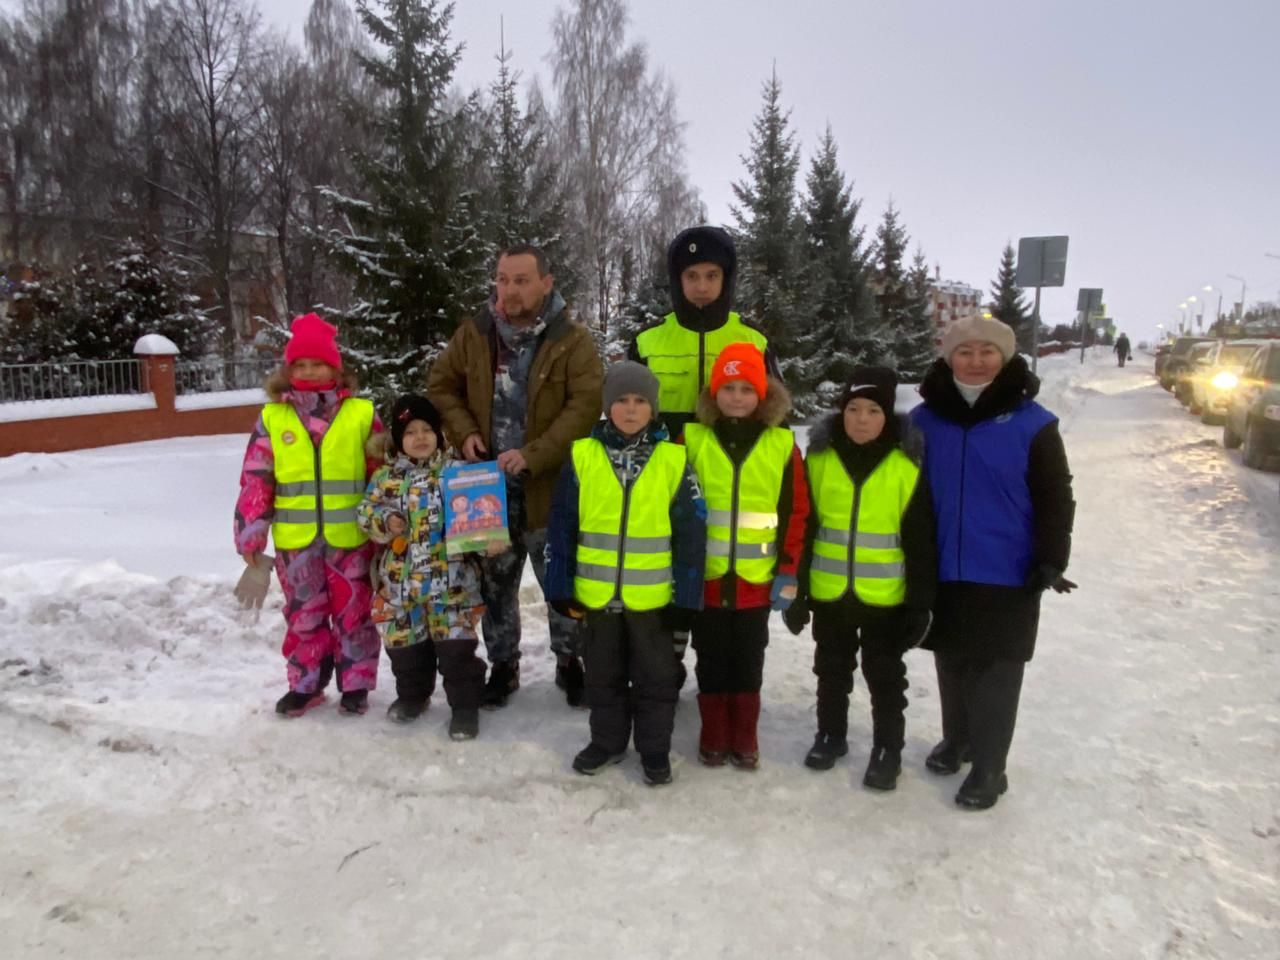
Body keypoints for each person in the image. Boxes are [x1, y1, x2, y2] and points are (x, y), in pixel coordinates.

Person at [427, 244, 603, 708]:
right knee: (495, 584)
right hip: (488, 492)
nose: (509, 290)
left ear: (547, 283)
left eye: (521, 280)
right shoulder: (476, 334)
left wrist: (535, 454)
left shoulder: (571, 340)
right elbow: (441, 386)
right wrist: (463, 433)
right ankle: (503, 665)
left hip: (550, 488)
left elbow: (584, 406)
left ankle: (572, 662)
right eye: (503, 279)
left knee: (560, 581)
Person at [910, 316, 1076, 810]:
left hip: (1008, 568)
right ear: (948, 357)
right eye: (965, 352)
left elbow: (1055, 494)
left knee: (997, 669)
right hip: (942, 564)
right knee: (951, 657)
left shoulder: (1033, 422)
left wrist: (1051, 556)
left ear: (1004, 358)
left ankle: (990, 766)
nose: (976, 361)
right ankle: (956, 739)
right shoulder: (923, 420)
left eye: (987, 351)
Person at [544, 362, 707, 786]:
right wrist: (560, 586)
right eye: (621, 400)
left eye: (640, 401)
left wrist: (686, 599)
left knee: (657, 680)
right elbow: (561, 525)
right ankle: (608, 742)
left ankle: (654, 750)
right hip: (596, 599)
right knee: (603, 677)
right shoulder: (582, 456)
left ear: (653, 409)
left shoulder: (674, 459)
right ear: (606, 406)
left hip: (652, 602)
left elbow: (691, 534)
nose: (631, 409)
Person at [784, 367, 937, 790]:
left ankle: (888, 748)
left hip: (884, 597)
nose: (862, 419)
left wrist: (920, 602)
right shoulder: (818, 458)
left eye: (872, 410)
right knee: (830, 669)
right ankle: (830, 735)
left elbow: (921, 540)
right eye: (853, 408)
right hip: (830, 592)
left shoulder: (906, 465)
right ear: (841, 411)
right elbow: (805, 527)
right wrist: (797, 590)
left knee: (884, 676)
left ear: (887, 415)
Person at [234, 313, 384, 717]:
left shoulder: (361, 414)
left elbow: (380, 476)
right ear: (288, 369)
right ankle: (306, 682)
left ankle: (355, 683)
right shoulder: (272, 418)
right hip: (296, 543)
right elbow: (256, 479)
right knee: (304, 616)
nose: (308, 371)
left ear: (334, 367)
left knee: (354, 614)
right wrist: (251, 533)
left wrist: (387, 526)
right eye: (300, 365)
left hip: (350, 539)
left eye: (317, 364)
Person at [682, 343, 809, 770]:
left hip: (757, 581)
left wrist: (788, 570)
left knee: (749, 658)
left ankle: (745, 734)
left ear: (764, 395)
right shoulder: (692, 439)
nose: (737, 396)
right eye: (728, 387)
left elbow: (796, 512)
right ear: (713, 394)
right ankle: (714, 733)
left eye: (746, 388)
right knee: (711, 656)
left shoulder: (781, 446)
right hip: (708, 578)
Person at [356, 394, 490, 740]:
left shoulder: (458, 473)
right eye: (410, 431)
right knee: (405, 649)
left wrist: (489, 538)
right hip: (400, 587)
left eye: (427, 429)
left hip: (453, 586)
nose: (419, 437)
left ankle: (464, 707)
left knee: (457, 650)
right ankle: (413, 697)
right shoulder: (386, 478)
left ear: (440, 434)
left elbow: (484, 514)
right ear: (398, 439)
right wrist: (387, 520)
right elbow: (366, 514)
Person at [628, 225, 780, 440]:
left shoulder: (754, 339)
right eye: (691, 276)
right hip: (663, 466)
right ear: (678, 280)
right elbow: (626, 410)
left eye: (711, 276)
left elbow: (776, 417)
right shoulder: (646, 341)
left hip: (733, 468)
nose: (701, 287)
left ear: (725, 279)